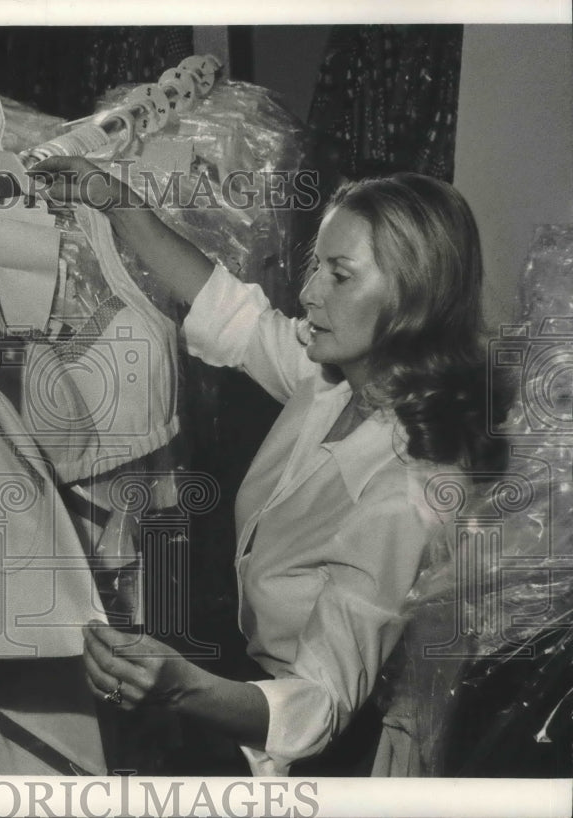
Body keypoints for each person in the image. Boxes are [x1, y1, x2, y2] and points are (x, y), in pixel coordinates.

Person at [32, 157, 510, 775]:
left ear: (410, 300)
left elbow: (319, 703)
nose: (309, 291)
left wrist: (180, 685)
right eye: (317, 266)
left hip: (323, 750)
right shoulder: (337, 380)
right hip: (255, 674)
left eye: (340, 276)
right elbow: (233, 314)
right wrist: (117, 201)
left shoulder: (409, 492)